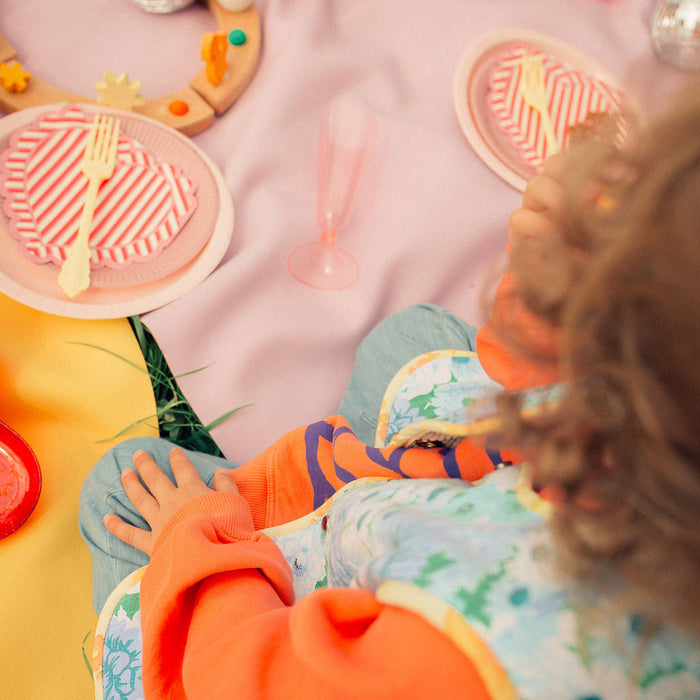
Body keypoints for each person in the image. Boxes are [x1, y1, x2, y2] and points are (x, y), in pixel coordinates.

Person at [79, 80, 700, 698]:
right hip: (461, 507)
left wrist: (206, 541)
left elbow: (248, 678)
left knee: (124, 485)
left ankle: (267, 523)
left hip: (294, 644)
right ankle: (302, 496)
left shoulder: (475, 649)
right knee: (412, 336)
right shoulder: (658, 444)